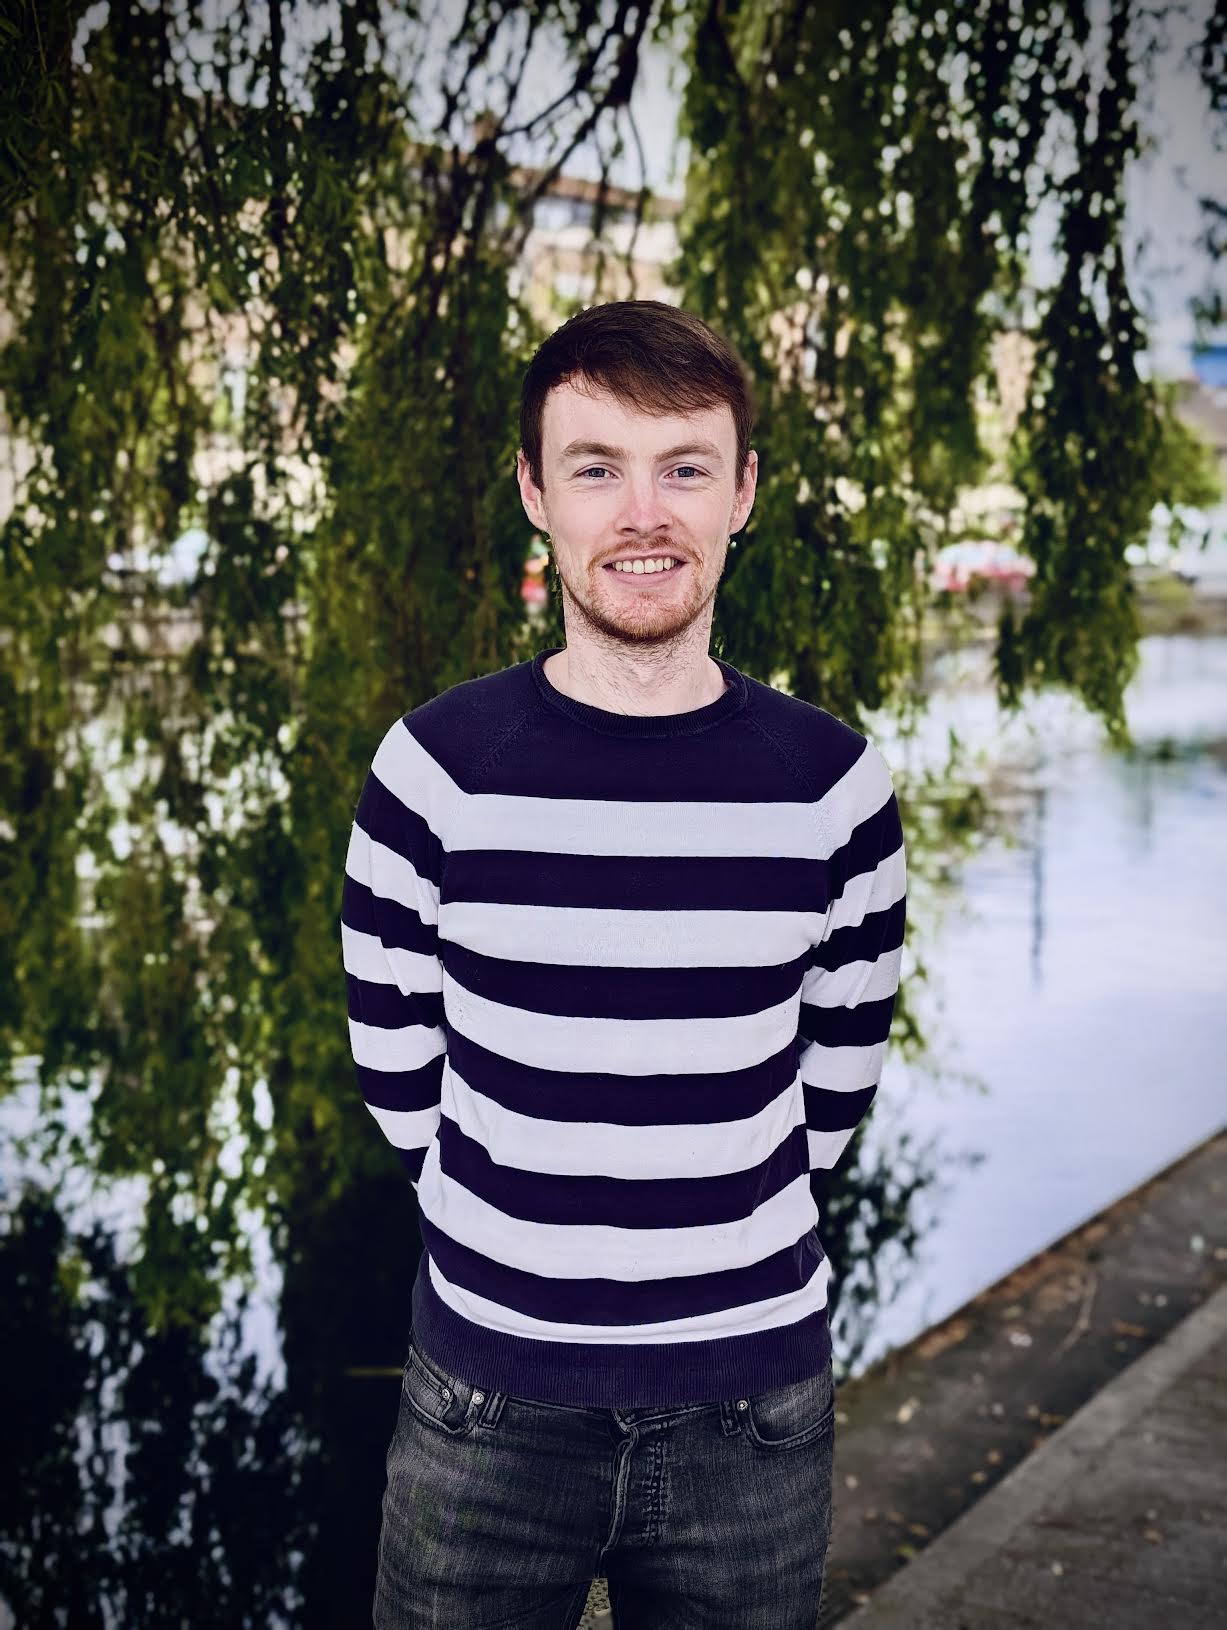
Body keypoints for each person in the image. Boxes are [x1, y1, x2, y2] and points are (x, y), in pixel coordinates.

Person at [340, 299, 907, 1629]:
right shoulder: (429, 775)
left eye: (685, 467)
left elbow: (833, 1095)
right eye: (597, 468)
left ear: (743, 492)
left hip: (749, 1410)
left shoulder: (832, 789)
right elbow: (399, 1081)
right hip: (489, 1400)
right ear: (537, 491)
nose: (641, 514)